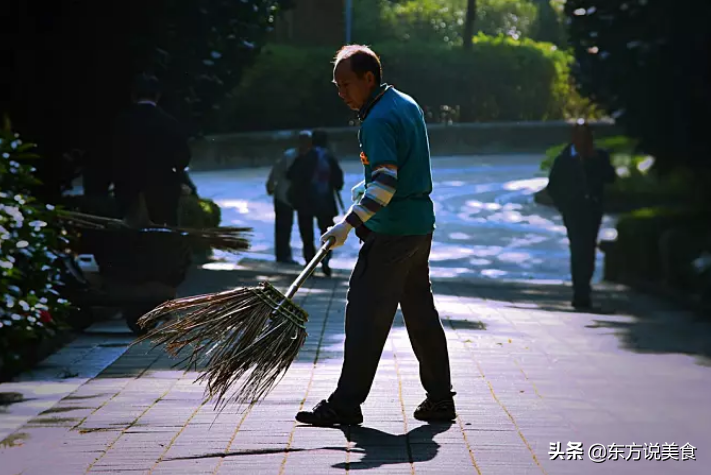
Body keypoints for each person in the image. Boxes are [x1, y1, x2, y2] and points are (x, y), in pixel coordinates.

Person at [295, 45, 456, 426]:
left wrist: (348, 225)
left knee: (365, 315)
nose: (342, 93)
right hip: (417, 227)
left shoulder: (377, 119)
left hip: (393, 232)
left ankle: (345, 404)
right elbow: (388, 178)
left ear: (369, 78)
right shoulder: (405, 104)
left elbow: (384, 183)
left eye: (346, 84)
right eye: (337, 86)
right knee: (419, 313)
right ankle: (439, 398)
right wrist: (356, 203)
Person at [546, 121, 616, 309]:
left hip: (592, 211)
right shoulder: (564, 159)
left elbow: (611, 177)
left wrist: (594, 161)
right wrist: (565, 205)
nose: (584, 141)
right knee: (578, 249)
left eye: (587, 137)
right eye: (580, 136)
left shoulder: (599, 157)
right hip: (574, 212)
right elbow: (553, 187)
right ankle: (580, 292)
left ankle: (585, 287)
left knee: (589, 249)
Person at [111, 73, 191, 226]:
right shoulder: (169, 122)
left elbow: (112, 155)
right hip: (162, 189)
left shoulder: (121, 122)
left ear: (133, 95)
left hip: (128, 189)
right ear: (158, 96)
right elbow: (183, 157)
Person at [286, 129, 344, 277]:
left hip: (305, 202)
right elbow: (338, 182)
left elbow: (290, 174)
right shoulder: (329, 158)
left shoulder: (305, 156)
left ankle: (309, 263)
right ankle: (325, 260)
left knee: (307, 234)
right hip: (325, 203)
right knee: (326, 233)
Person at [266, 130, 313, 264]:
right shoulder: (290, 155)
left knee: (302, 227)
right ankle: (283, 255)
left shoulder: (310, 156)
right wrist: (270, 185)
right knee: (283, 227)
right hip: (284, 195)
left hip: (299, 196)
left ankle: (303, 257)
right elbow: (276, 172)